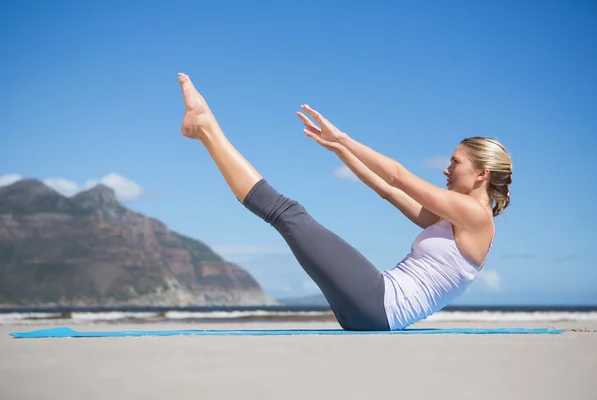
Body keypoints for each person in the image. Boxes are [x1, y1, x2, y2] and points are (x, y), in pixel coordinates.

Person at [176, 72, 513, 331]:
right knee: (286, 214)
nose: (446, 167)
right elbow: (388, 190)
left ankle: (206, 128)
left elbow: (398, 175)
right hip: (374, 308)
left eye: (455, 162)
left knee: (287, 213)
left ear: (481, 174)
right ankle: (205, 129)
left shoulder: (474, 216)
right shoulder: (456, 222)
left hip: (379, 304)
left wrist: (344, 138)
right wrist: (340, 151)